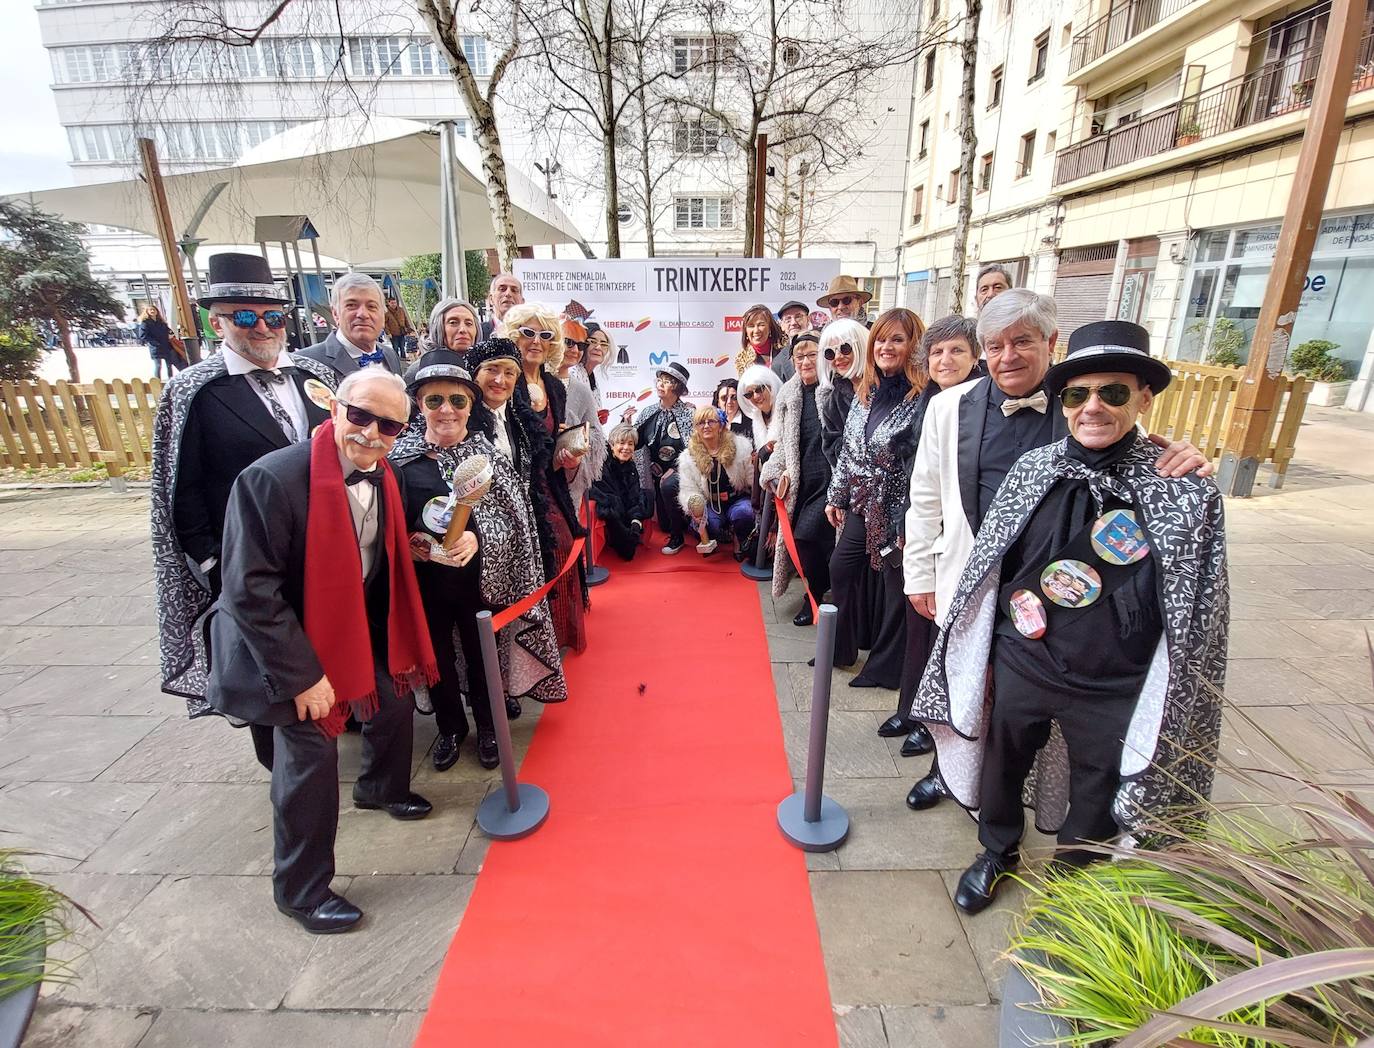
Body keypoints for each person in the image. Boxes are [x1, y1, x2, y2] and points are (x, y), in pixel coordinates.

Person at [915, 320, 1228, 914]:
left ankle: (1071, 883)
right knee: (1003, 763)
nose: (1093, 407)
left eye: (1112, 392)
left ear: (1143, 399)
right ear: (1062, 403)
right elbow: (991, 570)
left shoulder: (1182, 489)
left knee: (1096, 785)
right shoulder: (1033, 469)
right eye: (1078, 394)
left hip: (1114, 680)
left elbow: (1199, 610)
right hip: (1025, 659)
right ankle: (998, 850)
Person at [205, 368, 436, 934]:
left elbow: (384, 548)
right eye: (360, 416)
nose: (371, 433)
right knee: (308, 755)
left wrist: (431, 547)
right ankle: (301, 891)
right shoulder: (270, 480)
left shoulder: (386, 476)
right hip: (279, 642)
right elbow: (248, 593)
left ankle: (380, 787)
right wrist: (304, 677)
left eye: (389, 424)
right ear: (334, 410)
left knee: (393, 692)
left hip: (352, 621)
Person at [151, 252, 337, 769]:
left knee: (326, 654)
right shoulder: (196, 391)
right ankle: (282, 774)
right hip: (249, 561)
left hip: (325, 553)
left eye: (272, 317)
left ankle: (335, 743)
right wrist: (212, 564)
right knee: (269, 674)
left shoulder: (313, 377)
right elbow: (181, 492)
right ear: (218, 321)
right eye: (246, 317)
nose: (263, 329)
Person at [391, 349, 566, 772]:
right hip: (425, 587)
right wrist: (409, 541)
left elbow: (518, 525)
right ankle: (451, 728)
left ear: (471, 405)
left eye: (457, 400)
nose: (446, 410)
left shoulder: (491, 459)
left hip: (480, 586)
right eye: (435, 400)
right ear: (419, 405)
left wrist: (478, 537)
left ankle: (489, 727)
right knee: (438, 660)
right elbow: (387, 523)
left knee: (483, 657)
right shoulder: (399, 460)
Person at [884, 315, 983, 755]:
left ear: (976, 356)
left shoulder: (984, 402)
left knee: (946, 637)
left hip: (964, 542)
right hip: (922, 530)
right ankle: (911, 707)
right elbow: (920, 478)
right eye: (938, 352)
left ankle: (932, 722)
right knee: (919, 626)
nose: (946, 360)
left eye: (957, 350)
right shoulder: (930, 398)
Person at [826, 307, 929, 690]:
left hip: (897, 510)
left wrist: (907, 520)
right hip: (861, 503)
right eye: (881, 339)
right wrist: (836, 495)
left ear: (913, 346)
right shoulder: (865, 392)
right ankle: (840, 648)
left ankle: (886, 669)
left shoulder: (923, 398)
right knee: (841, 567)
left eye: (897, 339)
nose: (886, 346)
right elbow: (851, 451)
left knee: (894, 589)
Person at [505, 303, 588, 653]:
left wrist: (566, 450)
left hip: (549, 483)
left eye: (545, 335)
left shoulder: (554, 385)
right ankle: (537, 642)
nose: (536, 341)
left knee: (566, 542)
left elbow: (552, 442)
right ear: (513, 337)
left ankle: (561, 632)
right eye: (527, 332)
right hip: (517, 487)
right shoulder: (505, 380)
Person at [759, 332, 833, 626]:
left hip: (831, 480)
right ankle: (816, 593)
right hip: (802, 482)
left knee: (808, 538)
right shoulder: (789, 393)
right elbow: (782, 442)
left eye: (812, 354)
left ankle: (816, 596)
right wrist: (772, 474)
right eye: (799, 356)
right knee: (804, 542)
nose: (805, 361)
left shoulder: (834, 388)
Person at [624, 362, 694, 555]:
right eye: (660, 379)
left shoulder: (689, 414)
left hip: (681, 473)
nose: (661, 384)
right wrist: (627, 424)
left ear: (678, 388)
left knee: (668, 486)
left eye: (668, 381)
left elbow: (693, 449)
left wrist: (675, 469)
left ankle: (678, 537)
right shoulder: (648, 412)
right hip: (655, 475)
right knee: (663, 525)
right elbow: (634, 443)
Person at [678, 405, 755, 556]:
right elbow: (688, 489)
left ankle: (739, 537)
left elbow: (751, 478)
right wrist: (695, 505)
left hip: (737, 498)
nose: (706, 426)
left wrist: (759, 499)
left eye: (711, 421)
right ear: (696, 428)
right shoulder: (688, 457)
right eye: (701, 423)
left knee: (744, 514)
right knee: (708, 525)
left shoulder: (741, 446)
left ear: (720, 425)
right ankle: (720, 534)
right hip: (711, 503)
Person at [298, 273, 404, 378]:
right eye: (351, 305)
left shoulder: (390, 355)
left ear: (383, 315)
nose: (363, 314)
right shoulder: (306, 363)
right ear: (335, 314)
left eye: (371, 306)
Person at [554, 318, 608, 509]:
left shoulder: (582, 390)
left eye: (581, 345)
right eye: (569, 342)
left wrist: (574, 437)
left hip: (570, 481)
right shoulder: (536, 381)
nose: (575, 350)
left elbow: (597, 438)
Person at [591, 423, 653, 561]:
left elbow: (634, 495)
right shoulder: (602, 465)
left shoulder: (630, 466)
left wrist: (636, 520)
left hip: (623, 509)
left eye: (630, 444)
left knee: (646, 495)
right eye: (621, 443)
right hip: (610, 509)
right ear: (612, 445)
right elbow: (607, 499)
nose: (626, 448)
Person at [816, 320, 867, 469]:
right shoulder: (833, 403)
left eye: (845, 348)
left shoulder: (887, 385)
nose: (837, 357)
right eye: (830, 353)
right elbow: (831, 447)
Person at [734, 303, 792, 380]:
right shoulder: (742, 359)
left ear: (770, 328)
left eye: (761, 325)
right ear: (746, 332)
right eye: (751, 326)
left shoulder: (786, 351)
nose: (756, 330)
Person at [737, 364, 782, 458]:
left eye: (759, 389)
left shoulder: (786, 410)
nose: (756, 396)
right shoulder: (756, 418)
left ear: (771, 386)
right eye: (749, 394)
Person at [139, 305, 184, 379]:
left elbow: (168, 330)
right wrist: (154, 343)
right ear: (147, 312)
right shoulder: (145, 323)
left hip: (166, 345)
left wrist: (171, 335)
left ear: (157, 311)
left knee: (169, 365)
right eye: (150, 310)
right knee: (158, 365)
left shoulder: (161, 322)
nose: (152, 311)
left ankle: (170, 379)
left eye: (154, 309)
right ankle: (157, 381)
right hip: (155, 347)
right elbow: (143, 336)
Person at [582, 322, 615, 421]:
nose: (598, 347)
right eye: (593, 341)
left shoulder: (592, 378)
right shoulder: (572, 372)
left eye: (604, 344)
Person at [480, 272, 524, 340]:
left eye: (514, 290)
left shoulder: (529, 333)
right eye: (502, 289)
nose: (508, 294)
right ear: (491, 299)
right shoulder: (479, 332)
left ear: (522, 301)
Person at [384, 293, 415, 358]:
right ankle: (396, 359)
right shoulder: (386, 312)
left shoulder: (401, 310)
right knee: (395, 347)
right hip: (393, 333)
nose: (394, 304)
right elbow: (385, 323)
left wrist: (408, 328)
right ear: (389, 303)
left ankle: (403, 358)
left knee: (402, 346)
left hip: (402, 331)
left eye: (395, 303)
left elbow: (405, 319)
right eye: (392, 303)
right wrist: (388, 332)